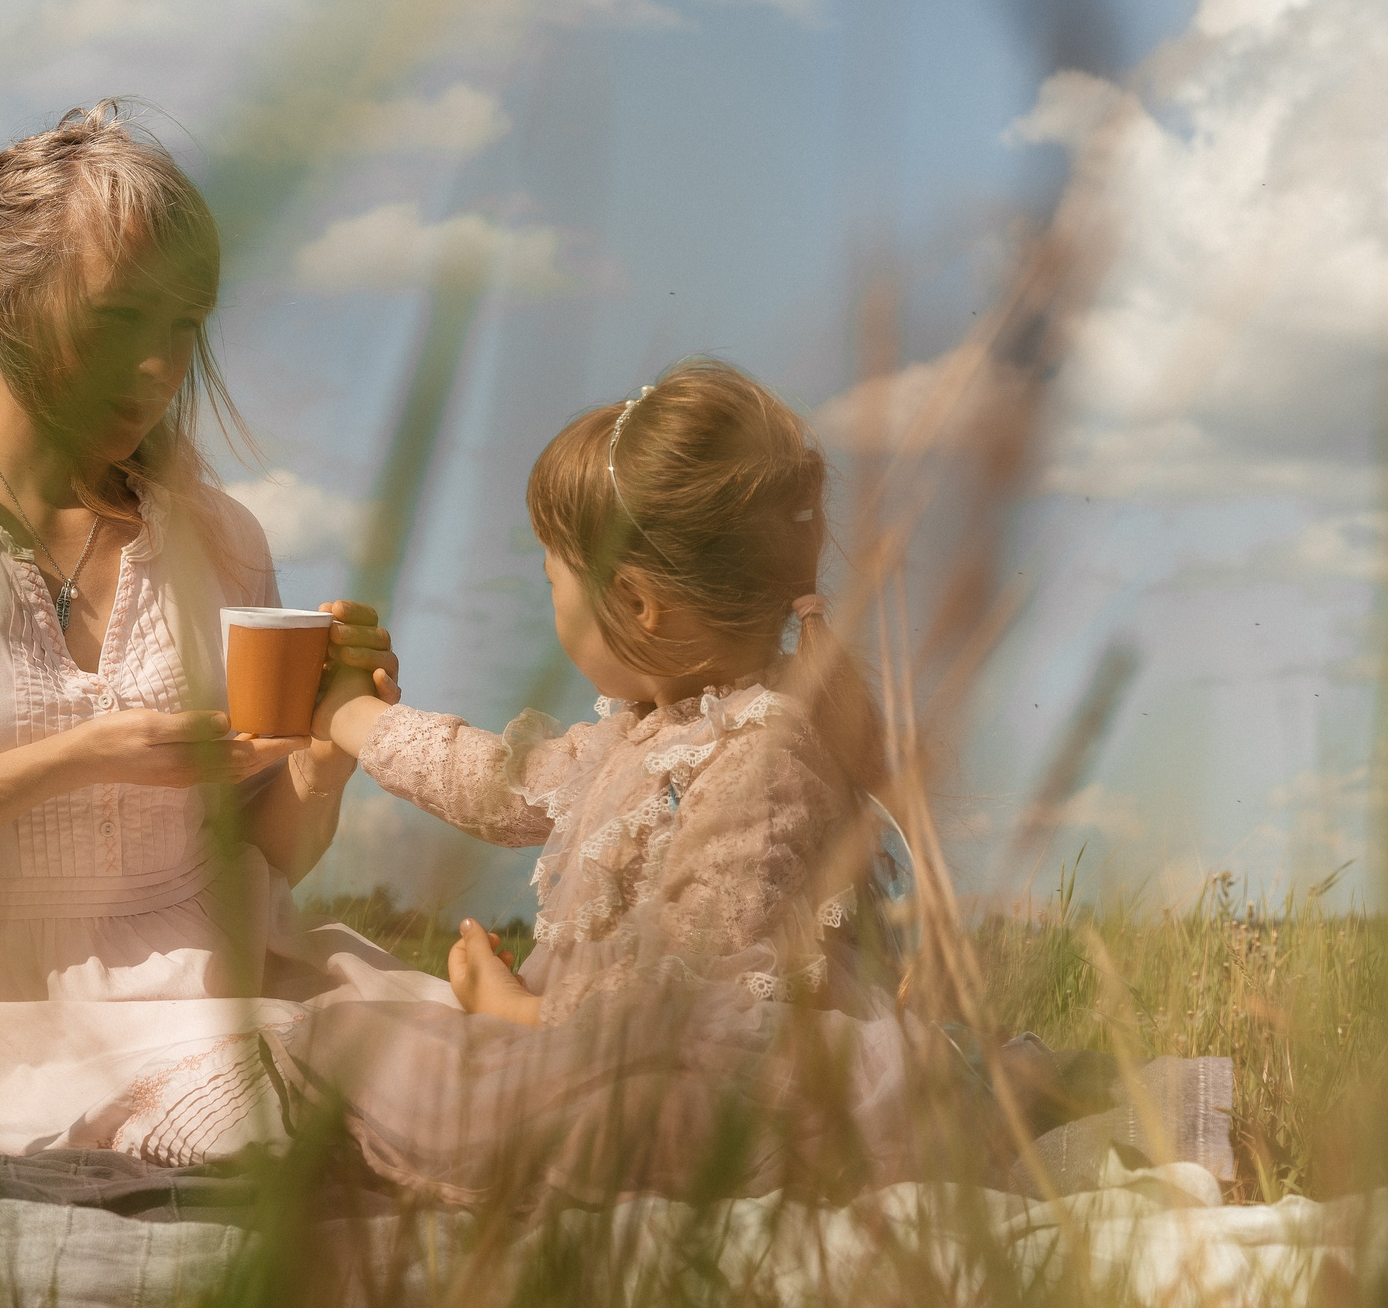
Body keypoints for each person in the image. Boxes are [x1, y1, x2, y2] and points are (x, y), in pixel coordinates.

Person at [0, 102, 443, 1162]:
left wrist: (328, 751)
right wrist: (75, 758)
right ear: (6, 297)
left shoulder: (218, 540)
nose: (161, 370)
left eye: (184, 328)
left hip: (239, 988)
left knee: (491, 1079)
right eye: (122, 321)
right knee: (288, 1129)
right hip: (9, 1043)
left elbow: (260, 856)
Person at [281, 359, 928, 1203]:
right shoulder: (644, 729)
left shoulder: (765, 755)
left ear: (636, 602)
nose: (550, 605)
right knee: (351, 1018)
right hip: (591, 1045)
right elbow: (498, 782)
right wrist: (350, 718)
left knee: (465, 1079)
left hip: (708, 1085)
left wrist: (517, 1013)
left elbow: (704, 1013)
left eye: (554, 581)